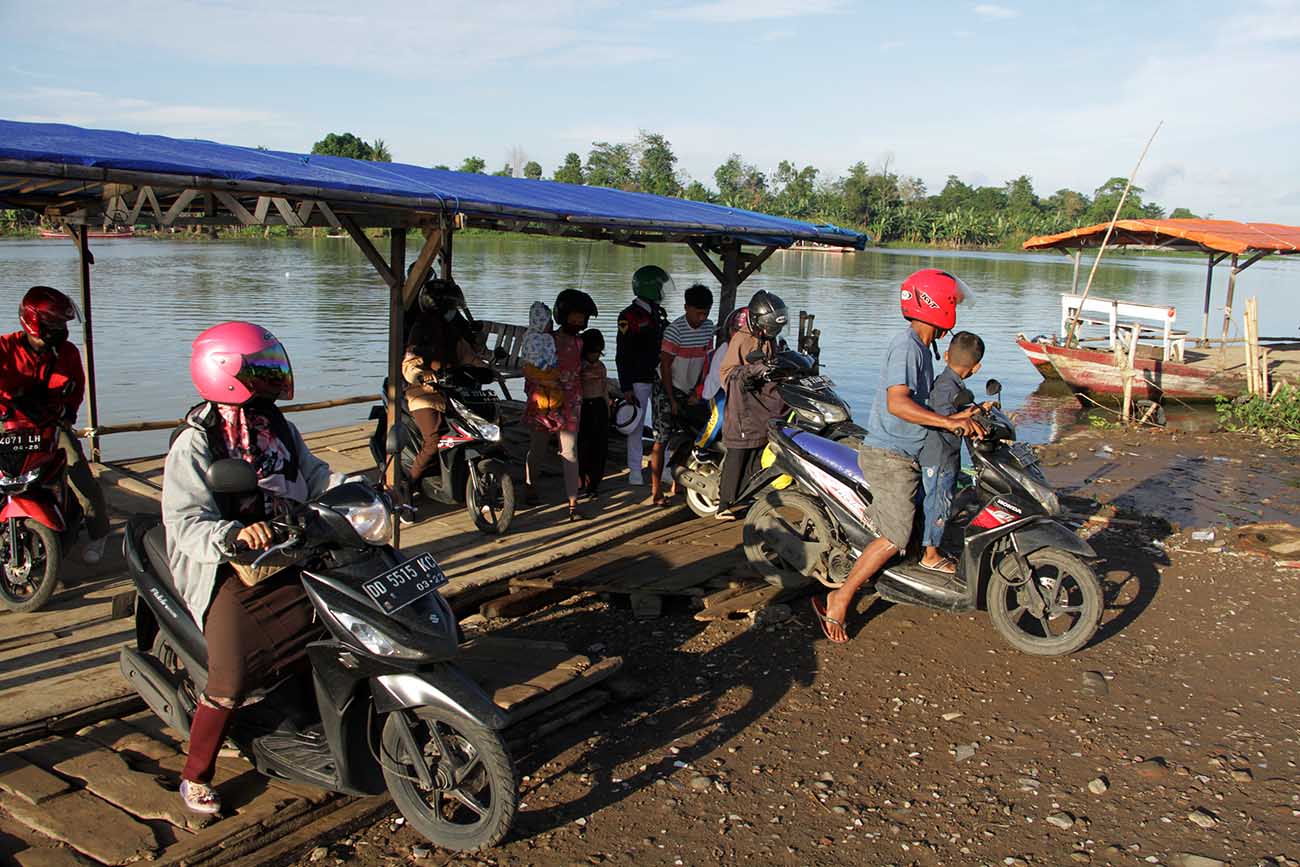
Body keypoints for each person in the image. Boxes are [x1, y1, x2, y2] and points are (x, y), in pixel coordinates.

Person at [162, 321, 336, 814]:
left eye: (271, 368)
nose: (271, 379)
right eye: (259, 371)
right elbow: (185, 523)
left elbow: (314, 474)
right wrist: (235, 533)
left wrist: (358, 489)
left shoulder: (278, 426)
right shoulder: (196, 443)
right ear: (225, 373)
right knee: (230, 678)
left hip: (289, 551)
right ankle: (195, 774)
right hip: (228, 571)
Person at [812, 270, 984, 644]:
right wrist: (947, 422)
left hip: (907, 451)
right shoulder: (907, 347)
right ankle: (840, 597)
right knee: (895, 535)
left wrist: (956, 416)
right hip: (891, 456)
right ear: (938, 305)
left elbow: (925, 403)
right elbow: (898, 403)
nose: (956, 308)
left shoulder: (922, 349)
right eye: (952, 301)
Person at [0, 286, 111, 562]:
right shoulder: (5, 347)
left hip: (51, 424)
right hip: (10, 425)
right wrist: (9, 404)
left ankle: (99, 534)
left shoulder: (68, 353)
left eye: (63, 323)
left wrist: (68, 414)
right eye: (56, 323)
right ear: (35, 323)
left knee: (80, 475)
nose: (62, 328)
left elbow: (76, 389)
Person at [401, 280, 488, 507]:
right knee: (433, 440)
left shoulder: (451, 330)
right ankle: (407, 486)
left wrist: (485, 370)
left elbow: (466, 355)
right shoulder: (420, 330)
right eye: (451, 307)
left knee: (476, 428)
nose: (453, 312)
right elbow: (410, 364)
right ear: (439, 306)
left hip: (451, 393)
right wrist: (421, 375)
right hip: (423, 394)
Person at [523, 291, 597, 520]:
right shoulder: (547, 339)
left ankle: (573, 502)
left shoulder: (580, 342)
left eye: (581, 319)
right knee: (538, 447)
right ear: (562, 316)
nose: (578, 323)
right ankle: (530, 486)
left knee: (570, 451)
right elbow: (532, 369)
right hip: (545, 401)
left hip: (571, 403)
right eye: (574, 318)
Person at [715, 291, 788, 520]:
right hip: (742, 405)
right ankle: (723, 503)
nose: (771, 332)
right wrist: (751, 371)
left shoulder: (769, 338)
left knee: (757, 450)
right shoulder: (743, 338)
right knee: (738, 452)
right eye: (768, 327)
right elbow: (727, 373)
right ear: (758, 321)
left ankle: (747, 495)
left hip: (760, 403)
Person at [918, 331, 985, 573]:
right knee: (938, 504)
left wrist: (974, 410)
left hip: (942, 454)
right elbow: (941, 418)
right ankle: (930, 555)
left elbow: (948, 411)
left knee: (939, 501)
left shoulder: (948, 382)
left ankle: (931, 544)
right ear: (976, 367)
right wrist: (967, 417)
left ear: (946, 355)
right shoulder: (948, 386)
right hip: (939, 456)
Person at [649, 283, 714, 505]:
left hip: (690, 390)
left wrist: (698, 391)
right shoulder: (674, 330)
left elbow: (706, 363)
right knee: (661, 438)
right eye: (698, 313)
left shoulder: (708, 328)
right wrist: (671, 399)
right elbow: (665, 366)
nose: (702, 317)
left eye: (705, 313)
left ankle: (679, 484)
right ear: (686, 308)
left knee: (690, 436)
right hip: (666, 388)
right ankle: (656, 490)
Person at [615, 265, 671, 487]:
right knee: (635, 427)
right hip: (638, 379)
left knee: (663, 426)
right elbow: (622, 354)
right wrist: (626, 386)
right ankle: (635, 471)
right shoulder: (628, 316)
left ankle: (664, 469)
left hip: (658, 377)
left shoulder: (657, 312)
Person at [576, 328, 610, 498]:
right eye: (592, 352)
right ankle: (581, 477)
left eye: (598, 353)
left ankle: (594, 483)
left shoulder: (601, 367)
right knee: (583, 446)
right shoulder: (579, 367)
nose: (595, 356)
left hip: (599, 406)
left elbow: (604, 389)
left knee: (600, 447)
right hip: (584, 407)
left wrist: (608, 407)